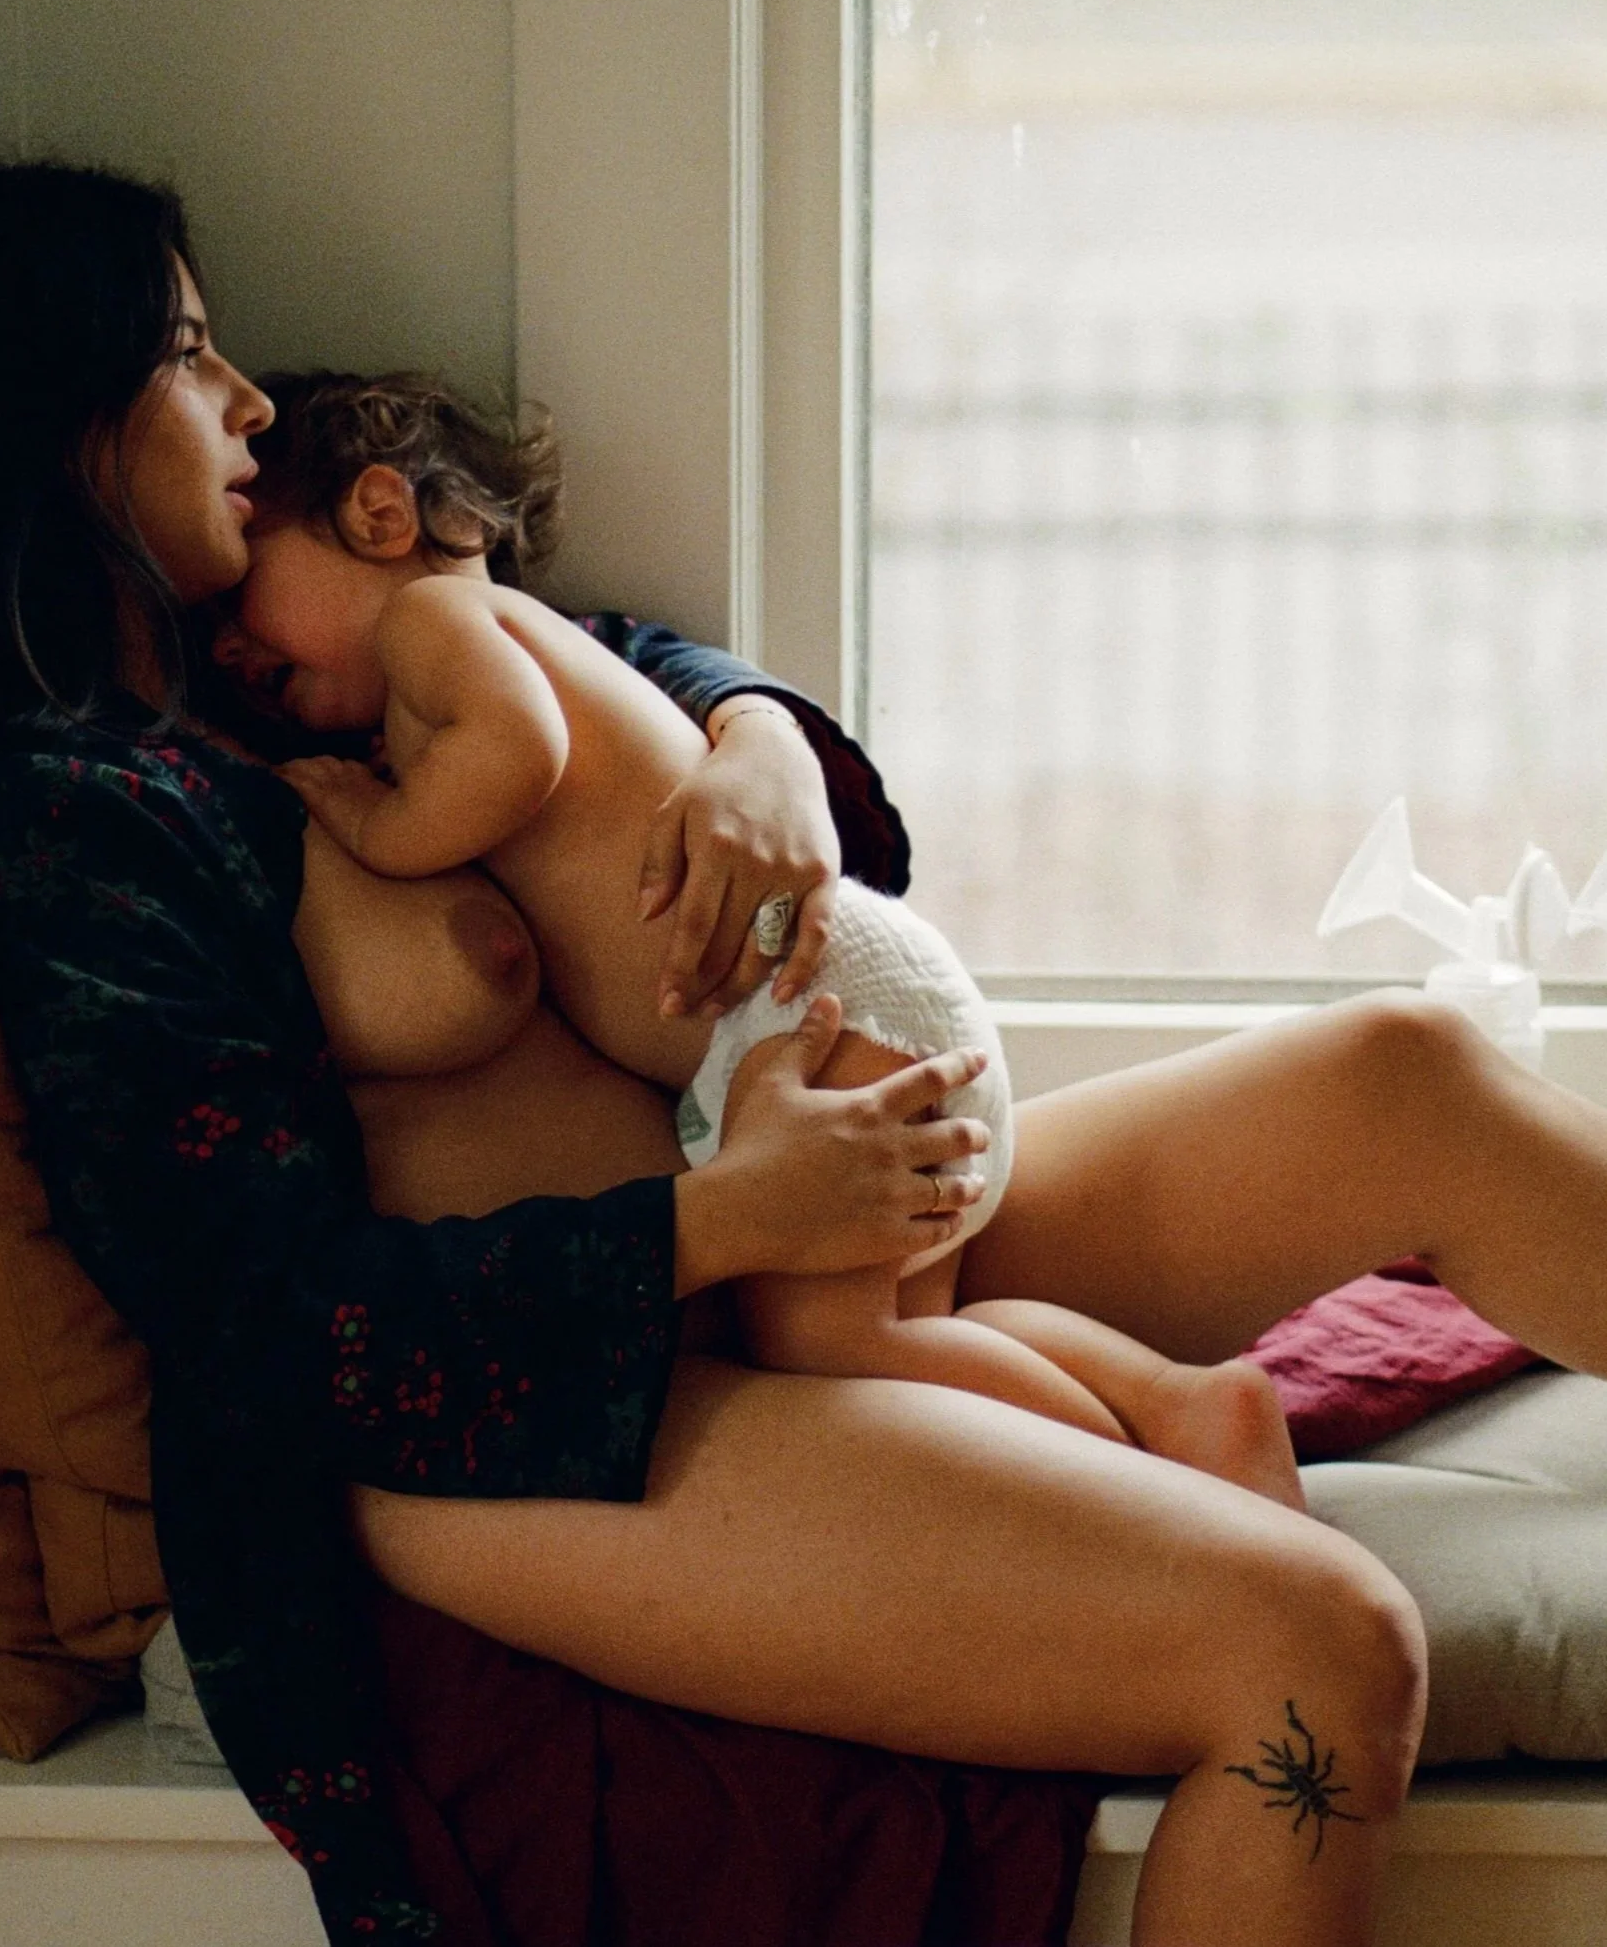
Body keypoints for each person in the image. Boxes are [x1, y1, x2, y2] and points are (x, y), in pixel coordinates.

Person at [0, 161, 1607, 1947]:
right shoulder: (60, 834)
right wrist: (728, 1222)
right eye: (188, 352)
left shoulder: (273, 658)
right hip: (521, 1433)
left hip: (778, 1235)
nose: (251, 398)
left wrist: (750, 736)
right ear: (50, 421)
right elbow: (273, 1334)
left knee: (1407, 1071)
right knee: (1316, 1650)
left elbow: (596, 654)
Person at [213, 367, 1305, 1506]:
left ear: (380, 515)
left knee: (825, 1343)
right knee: (902, 1326)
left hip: (816, 1007)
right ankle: (1169, 1402)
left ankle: (1169, 1468)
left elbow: (518, 752)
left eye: (242, 592)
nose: (230, 652)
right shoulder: (467, 666)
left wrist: (374, 822)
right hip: (832, 997)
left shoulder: (435, 623)